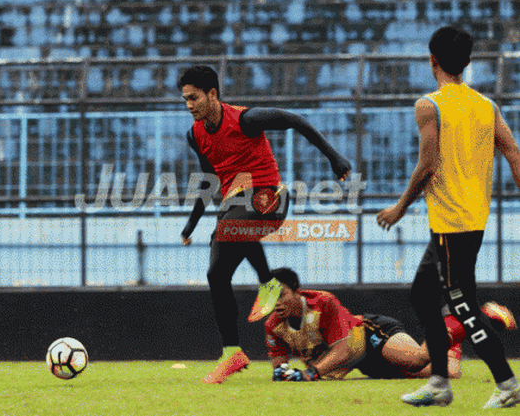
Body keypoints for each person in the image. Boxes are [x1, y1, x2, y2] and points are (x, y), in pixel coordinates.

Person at [177, 65, 352, 384]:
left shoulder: (246, 119)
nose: (189, 105)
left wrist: (334, 158)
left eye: (194, 98)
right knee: (216, 272)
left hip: (270, 199)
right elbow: (208, 182)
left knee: (231, 223)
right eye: (185, 99)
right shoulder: (196, 134)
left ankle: (266, 280)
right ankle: (232, 351)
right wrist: (190, 225)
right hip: (238, 206)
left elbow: (294, 120)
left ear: (212, 94)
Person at [377, 26, 520, 408]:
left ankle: (507, 383)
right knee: (423, 295)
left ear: (432, 61)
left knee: (461, 304)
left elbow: (427, 164)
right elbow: (513, 153)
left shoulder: (430, 105)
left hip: (451, 223)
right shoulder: (487, 106)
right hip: (468, 219)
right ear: (468, 62)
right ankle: (439, 382)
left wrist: (399, 207)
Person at [265, 267, 475, 382]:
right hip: (363, 362)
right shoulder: (273, 326)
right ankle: (452, 343)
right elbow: (279, 366)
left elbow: (343, 350)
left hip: (371, 335)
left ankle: (464, 318)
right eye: (271, 298)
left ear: (296, 291)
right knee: (450, 371)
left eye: (282, 295)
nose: (277, 303)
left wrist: (312, 372)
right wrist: (283, 373)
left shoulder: (322, 302)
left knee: (417, 360)